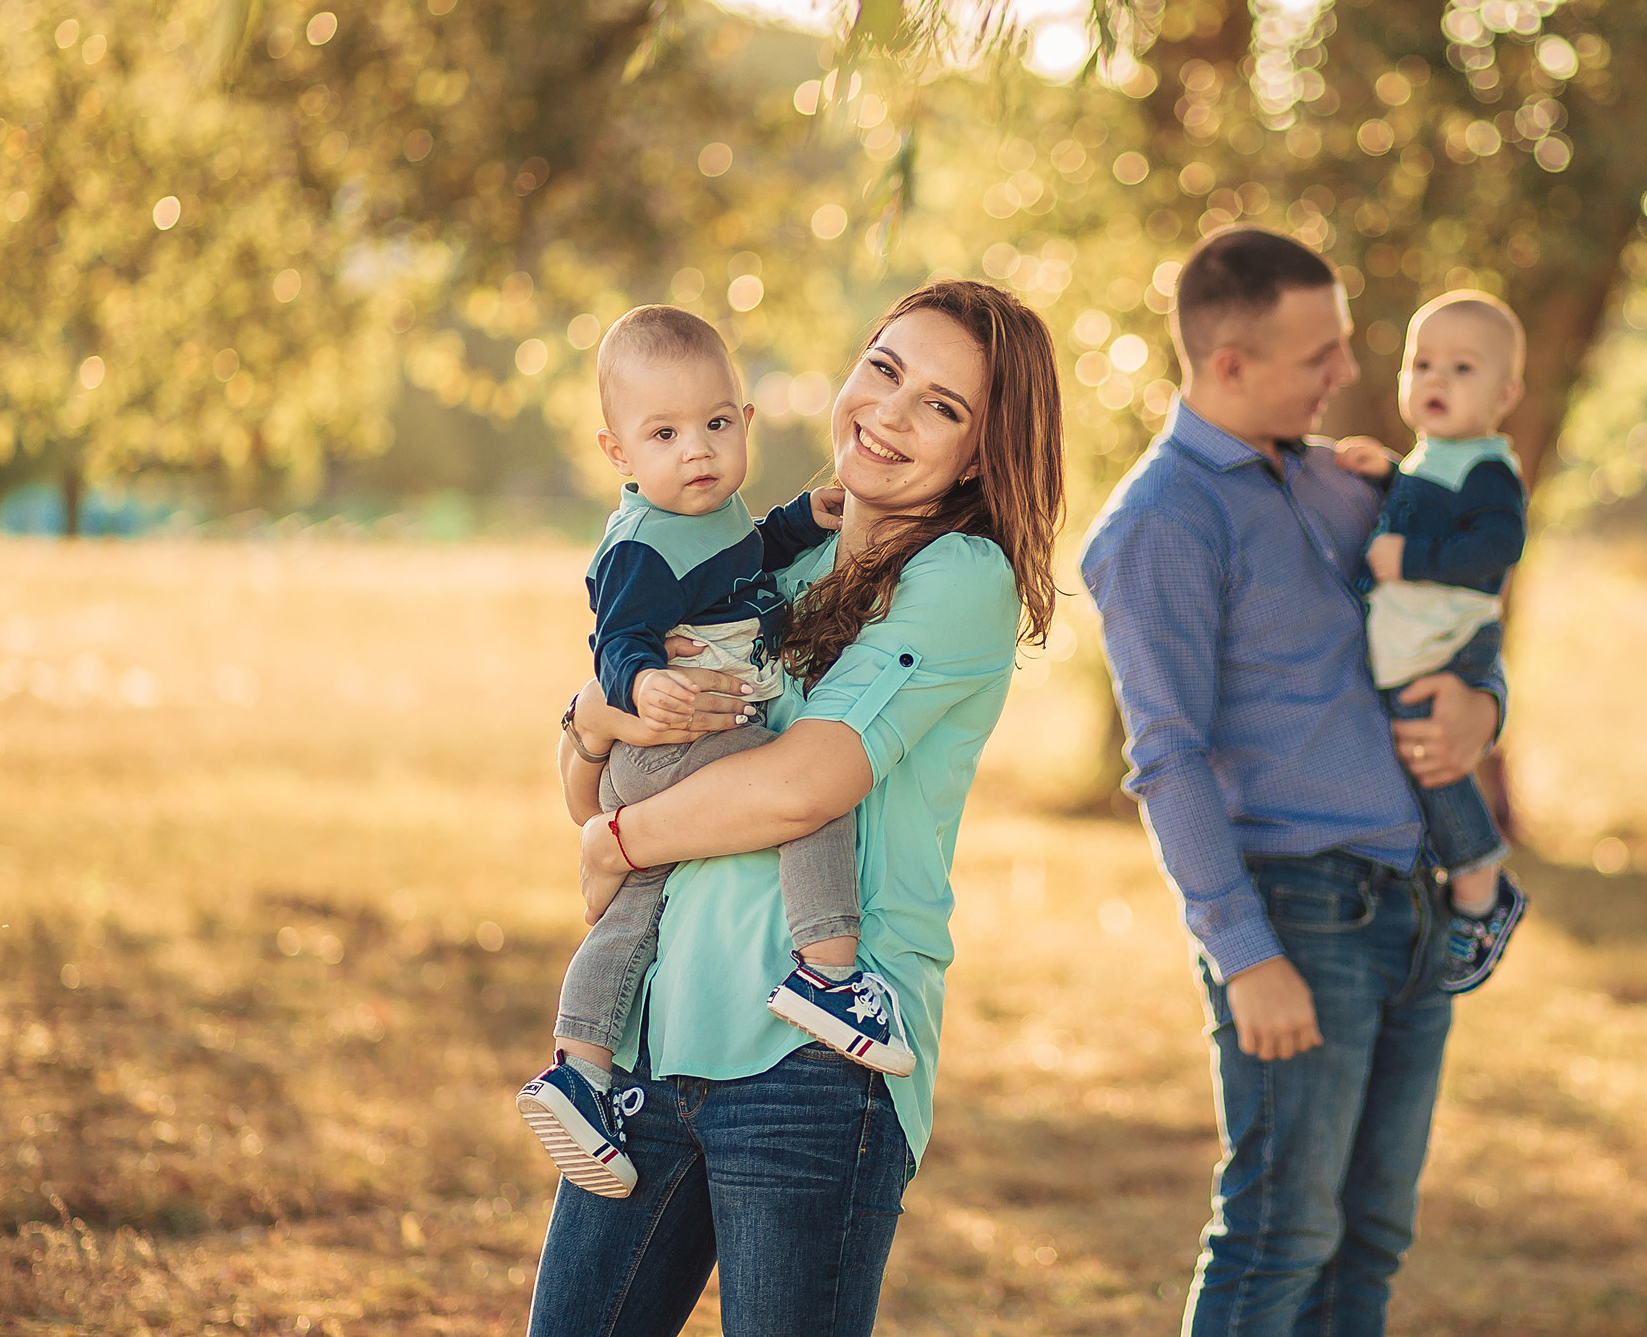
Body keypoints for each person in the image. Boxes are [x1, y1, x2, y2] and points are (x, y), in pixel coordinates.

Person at [524, 280, 1064, 1337]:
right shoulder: (765, 553)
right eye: (884, 368)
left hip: (812, 1066)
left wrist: (619, 842)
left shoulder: (959, 579)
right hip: (651, 1038)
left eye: (943, 408)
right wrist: (594, 716)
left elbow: (800, 785)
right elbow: (586, 778)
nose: (890, 413)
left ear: (985, 452)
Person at [1081, 227, 1506, 1336]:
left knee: (1368, 1240)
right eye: (1319, 354)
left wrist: (1483, 705)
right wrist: (1245, 953)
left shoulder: (1347, 483)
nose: (1348, 374)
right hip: (1297, 917)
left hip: (1411, 907)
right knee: (1279, 1236)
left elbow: (1454, 618)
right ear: (1228, 365)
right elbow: (1165, 759)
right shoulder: (1156, 526)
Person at [516, 304, 911, 1206]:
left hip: (665, 751)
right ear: (617, 452)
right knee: (807, 790)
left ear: (747, 421)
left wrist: (803, 520)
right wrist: (639, 686)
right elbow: (616, 639)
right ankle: (831, 971)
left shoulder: (705, 511)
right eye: (664, 434)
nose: (696, 451)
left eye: (716, 425)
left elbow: (744, 556)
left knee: (635, 906)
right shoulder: (640, 547)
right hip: (685, 731)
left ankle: (579, 1068)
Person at [1334, 290, 1530, 994]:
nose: (1436, 379)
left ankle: (1481, 884)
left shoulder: (1488, 469)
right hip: (1423, 640)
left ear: (1505, 394)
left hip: (1449, 643)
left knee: (1432, 753)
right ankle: (1454, 870)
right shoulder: (1432, 458)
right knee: (1416, 753)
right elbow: (1425, 499)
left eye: (1462, 368)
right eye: (1422, 364)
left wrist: (1409, 558)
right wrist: (1389, 474)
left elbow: (1496, 544)